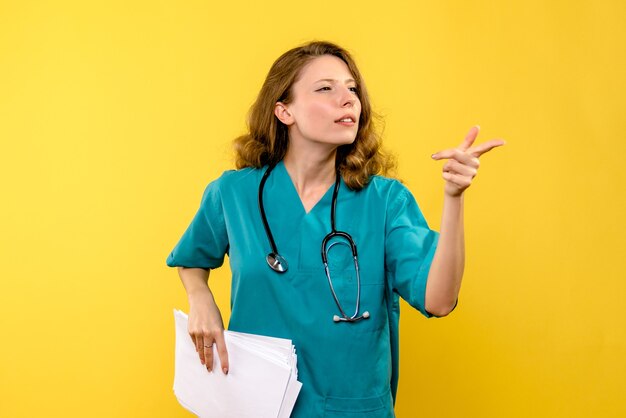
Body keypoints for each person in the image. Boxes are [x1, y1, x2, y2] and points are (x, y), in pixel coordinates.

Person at [166, 40, 504, 417]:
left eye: (352, 89)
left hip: (352, 408)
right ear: (284, 111)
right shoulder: (234, 194)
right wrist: (200, 299)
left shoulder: (385, 201)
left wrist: (454, 198)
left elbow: (439, 300)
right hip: (256, 405)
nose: (348, 100)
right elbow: (192, 259)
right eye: (326, 88)